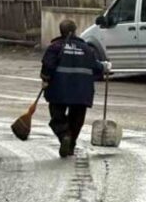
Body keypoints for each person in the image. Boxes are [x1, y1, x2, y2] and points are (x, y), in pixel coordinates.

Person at [41, 20, 109, 158]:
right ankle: (70, 145)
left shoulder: (55, 47)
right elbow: (96, 68)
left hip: (58, 91)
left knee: (57, 116)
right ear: (74, 31)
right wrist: (105, 66)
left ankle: (65, 135)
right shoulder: (86, 48)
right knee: (77, 119)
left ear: (61, 31)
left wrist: (45, 78)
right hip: (82, 92)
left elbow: (47, 66)